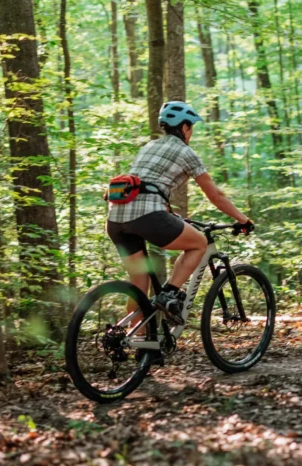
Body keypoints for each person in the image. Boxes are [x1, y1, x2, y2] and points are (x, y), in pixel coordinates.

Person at [106, 101, 253, 326]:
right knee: (199, 243)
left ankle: (137, 342)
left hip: (116, 219)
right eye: (191, 127)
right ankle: (171, 293)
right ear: (184, 127)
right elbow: (215, 196)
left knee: (139, 284)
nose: (191, 132)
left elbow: (145, 185)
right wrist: (242, 220)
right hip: (147, 217)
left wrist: (167, 214)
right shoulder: (186, 153)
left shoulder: (149, 146)